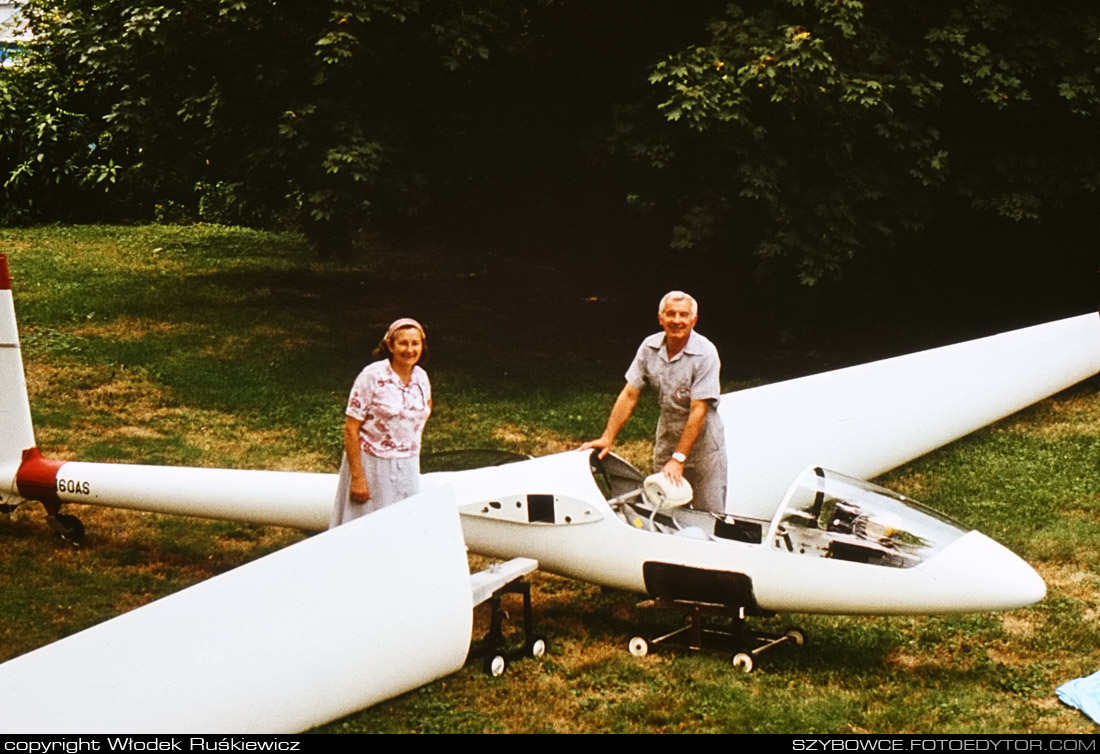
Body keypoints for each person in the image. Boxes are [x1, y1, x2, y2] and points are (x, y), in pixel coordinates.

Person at [581, 291, 728, 514]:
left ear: (693, 320)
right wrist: (607, 438)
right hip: (667, 439)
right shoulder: (649, 347)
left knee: (709, 515)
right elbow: (629, 394)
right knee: (662, 510)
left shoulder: (706, 353)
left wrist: (678, 459)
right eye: (671, 314)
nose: (677, 320)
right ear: (661, 318)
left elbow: (698, 411)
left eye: (683, 315)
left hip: (703, 448)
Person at [329, 318, 432, 528]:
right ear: (390, 346)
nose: (410, 349)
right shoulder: (372, 376)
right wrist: (358, 478)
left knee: (402, 525)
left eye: (415, 344)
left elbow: (426, 408)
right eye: (403, 343)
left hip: (408, 464)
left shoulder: (421, 377)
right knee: (367, 527)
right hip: (373, 465)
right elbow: (351, 428)